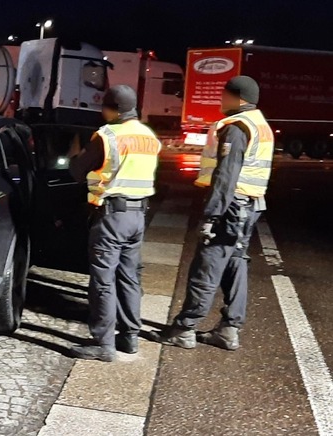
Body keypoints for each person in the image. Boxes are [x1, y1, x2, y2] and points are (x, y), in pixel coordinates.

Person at [155, 76, 274, 351]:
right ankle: (230, 328)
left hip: (231, 206)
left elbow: (225, 175)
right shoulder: (260, 124)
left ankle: (185, 328)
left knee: (207, 265)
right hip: (250, 206)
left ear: (237, 97)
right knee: (236, 263)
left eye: (224, 94)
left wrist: (212, 215)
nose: (221, 99)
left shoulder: (237, 127)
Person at [67, 85, 161, 362]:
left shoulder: (108, 136)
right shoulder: (149, 136)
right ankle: (130, 337)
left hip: (111, 216)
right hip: (138, 215)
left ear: (113, 109)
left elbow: (77, 171)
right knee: (130, 276)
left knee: (103, 280)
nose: (101, 112)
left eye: (103, 107)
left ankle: (104, 344)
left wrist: (77, 152)